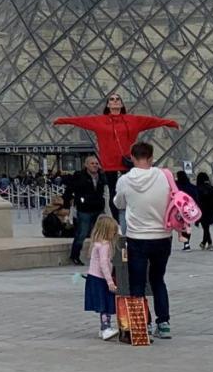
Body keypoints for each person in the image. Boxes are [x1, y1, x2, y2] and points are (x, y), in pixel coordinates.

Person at [53, 95, 178, 219]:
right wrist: (61, 120)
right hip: (110, 164)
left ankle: (131, 217)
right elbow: (80, 121)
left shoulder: (133, 120)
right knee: (114, 192)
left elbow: (152, 121)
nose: (115, 101)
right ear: (108, 105)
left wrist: (169, 123)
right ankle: (118, 221)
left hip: (128, 162)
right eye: (111, 99)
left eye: (118, 99)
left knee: (131, 191)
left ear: (122, 104)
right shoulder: (99, 120)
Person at [113, 141, 173, 339]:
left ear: (131, 157)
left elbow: (119, 203)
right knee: (158, 280)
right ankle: (163, 323)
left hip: (137, 237)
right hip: (163, 236)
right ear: (151, 157)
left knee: (137, 283)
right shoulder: (164, 176)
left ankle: (142, 325)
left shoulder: (125, 180)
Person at [83, 214, 120, 340]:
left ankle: (104, 327)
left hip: (94, 277)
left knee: (103, 303)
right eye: (113, 231)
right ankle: (105, 327)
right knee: (105, 304)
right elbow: (104, 264)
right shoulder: (105, 245)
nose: (115, 234)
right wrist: (110, 281)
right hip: (101, 279)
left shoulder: (97, 243)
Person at [63, 155, 104, 265]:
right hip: (84, 209)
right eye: (92, 163)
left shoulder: (101, 176)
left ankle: (101, 256)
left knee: (101, 234)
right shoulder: (79, 176)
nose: (95, 165)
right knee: (82, 233)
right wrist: (67, 205)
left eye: (96, 163)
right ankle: (74, 256)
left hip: (98, 208)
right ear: (86, 165)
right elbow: (68, 191)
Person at [194, 172, 213, 250]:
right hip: (210, 210)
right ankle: (204, 243)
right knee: (206, 227)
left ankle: (210, 243)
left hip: (202, 210)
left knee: (205, 228)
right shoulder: (212, 188)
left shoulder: (198, 189)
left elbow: (196, 201)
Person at [174, 170, 198, 251]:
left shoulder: (176, 186)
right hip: (188, 209)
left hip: (177, 209)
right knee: (187, 225)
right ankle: (186, 243)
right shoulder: (190, 186)